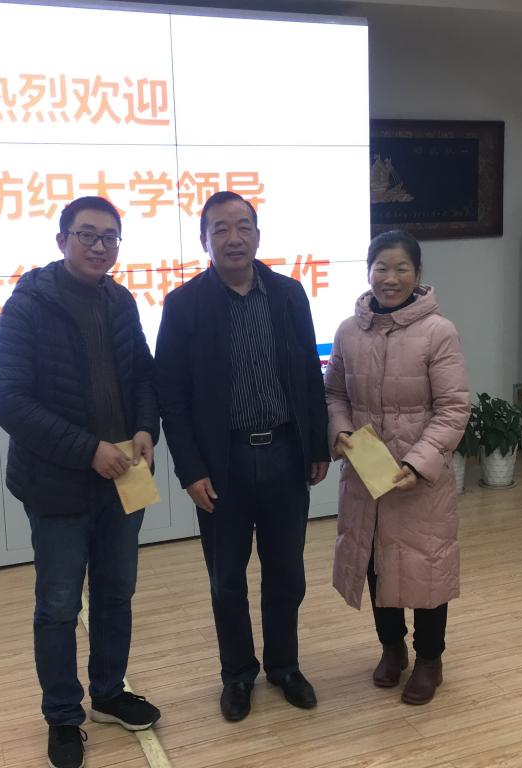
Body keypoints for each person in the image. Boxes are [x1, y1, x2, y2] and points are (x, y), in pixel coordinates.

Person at [0, 196, 161, 768]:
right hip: (57, 485)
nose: (99, 246)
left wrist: (145, 428)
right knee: (60, 605)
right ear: (62, 239)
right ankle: (63, 715)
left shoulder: (120, 300)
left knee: (116, 594)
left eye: (110, 237)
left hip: (125, 479)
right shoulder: (28, 305)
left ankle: (108, 693)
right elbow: (10, 401)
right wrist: (89, 450)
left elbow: (143, 375)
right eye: (87, 234)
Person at [155, 191, 331, 722]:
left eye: (243, 227)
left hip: (284, 454)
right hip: (222, 464)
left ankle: (284, 666)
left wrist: (316, 445)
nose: (233, 238)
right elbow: (171, 397)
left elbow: (309, 374)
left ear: (257, 234)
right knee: (226, 580)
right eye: (221, 229)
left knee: (287, 573)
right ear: (204, 240)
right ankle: (237, 675)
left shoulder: (289, 294)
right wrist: (190, 470)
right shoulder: (183, 305)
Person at [324, 229, 469, 706]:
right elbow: (335, 394)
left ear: (417, 273)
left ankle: (429, 659)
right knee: (374, 561)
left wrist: (418, 462)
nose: (391, 278)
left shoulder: (438, 332)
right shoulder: (349, 330)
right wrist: (340, 431)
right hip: (366, 475)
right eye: (382, 268)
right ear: (368, 271)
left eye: (401, 268)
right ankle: (392, 648)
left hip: (418, 478)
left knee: (426, 566)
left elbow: (453, 408)